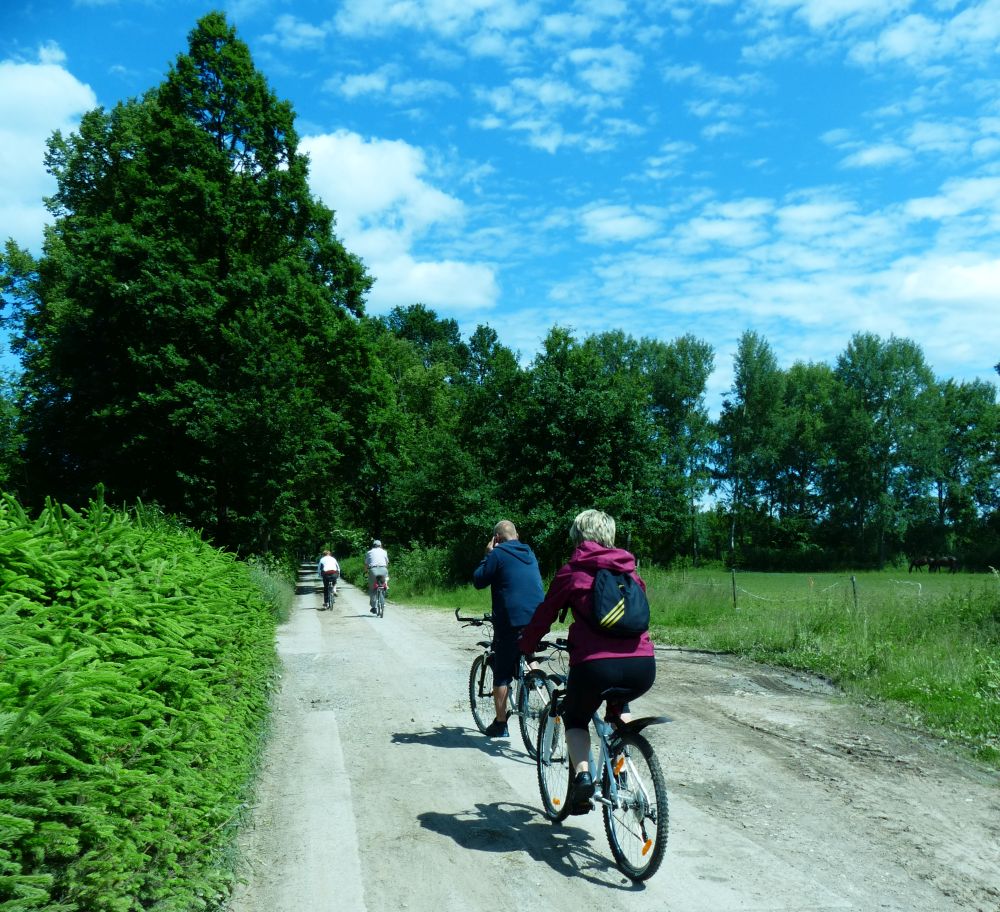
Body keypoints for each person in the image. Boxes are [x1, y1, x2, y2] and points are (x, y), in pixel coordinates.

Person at [519, 509, 655, 813]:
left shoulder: (573, 570)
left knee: (576, 717)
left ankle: (582, 779)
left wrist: (526, 645)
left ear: (578, 537)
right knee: (620, 708)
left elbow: (545, 613)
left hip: (595, 667)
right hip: (643, 667)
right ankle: (621, 768)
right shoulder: (630, 570)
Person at [472, 520, 545, 737]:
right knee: (526, 647)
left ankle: (501, 724)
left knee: (502, 672)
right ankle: (537, 679)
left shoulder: (497, 553)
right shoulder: (529, 552)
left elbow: (479, 580)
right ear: (517, 535)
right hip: (538, 619)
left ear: (497, 539)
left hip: (511, 623)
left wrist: (487, 554)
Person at [364, 539, 390, 614]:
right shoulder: (384, 552)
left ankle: (374, 607)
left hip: (373, 570)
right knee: (384, 582)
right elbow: (387, 563)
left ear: (373, 545)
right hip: (383, 569)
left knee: (372, 588)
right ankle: (385, 586)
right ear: (380, 545)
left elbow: (366, 564)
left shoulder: (369, 552)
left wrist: (366, 572)